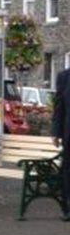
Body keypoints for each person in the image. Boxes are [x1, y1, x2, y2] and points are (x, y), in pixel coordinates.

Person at [50, 69, 70, 221]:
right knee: (67, 171)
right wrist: (56, 132)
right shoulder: (64, 77)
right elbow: (59, 107)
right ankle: (67, 209)